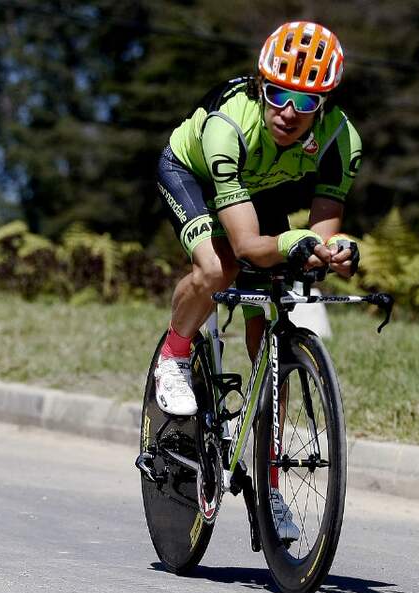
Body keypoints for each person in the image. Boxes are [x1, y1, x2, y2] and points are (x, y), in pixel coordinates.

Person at [154, 21, 362, 540]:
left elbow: (320, 231)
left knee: (272, 316)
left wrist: (329, 253)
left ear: (326, 104)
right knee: (219, 267)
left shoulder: (342, 138)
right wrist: (292, 245)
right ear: (260, 85)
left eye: (306, 101)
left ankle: (267, 481)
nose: (289, 111)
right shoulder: (229, 126)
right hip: (196, 175)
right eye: (278, 93)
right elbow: (248, 247)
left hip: (261, 188)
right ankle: (175, 353)